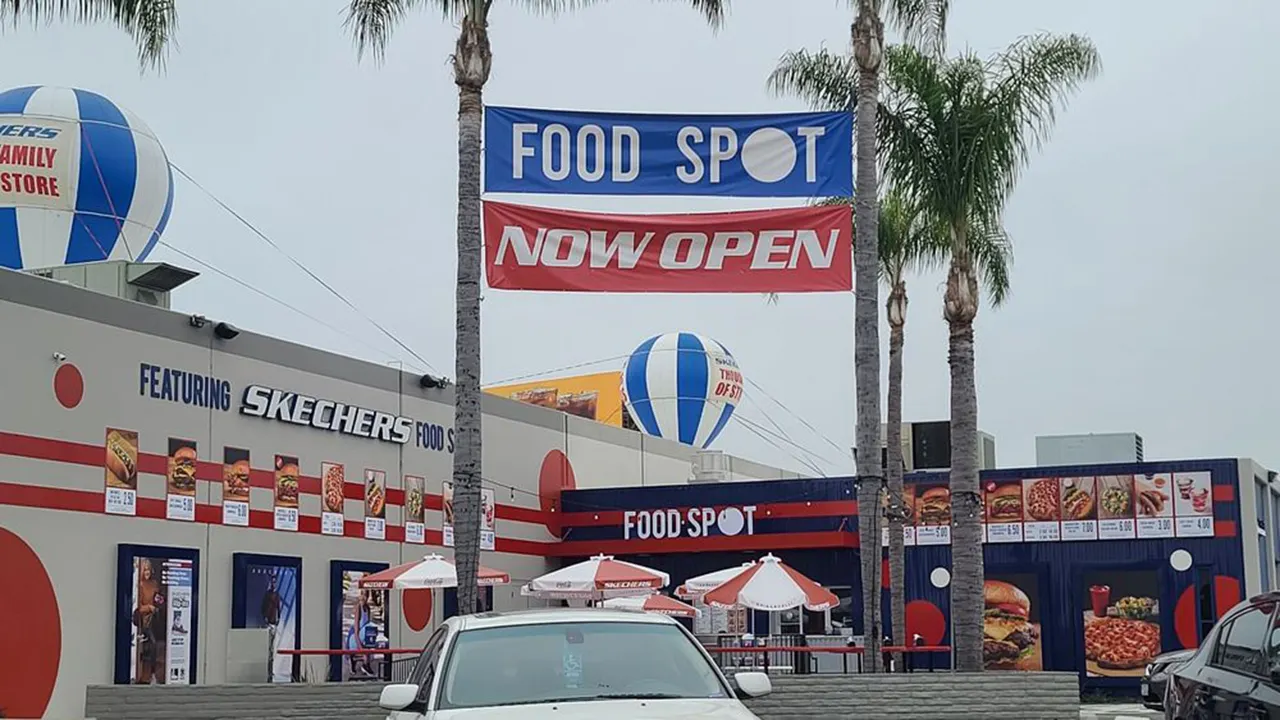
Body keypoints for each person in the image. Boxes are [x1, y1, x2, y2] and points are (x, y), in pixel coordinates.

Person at [132, 559, 163, 684]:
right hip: (144, 620)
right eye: (145, 570)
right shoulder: (139, 585)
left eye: (148, 570)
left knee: (155, 646)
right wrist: (149, 608)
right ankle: (144, 675)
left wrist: (159, 600)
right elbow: (138, 607)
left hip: (154, 618)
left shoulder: (154, 584)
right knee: (151, 645)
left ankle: (152, 674)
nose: (147, 572)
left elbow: (158, 598)